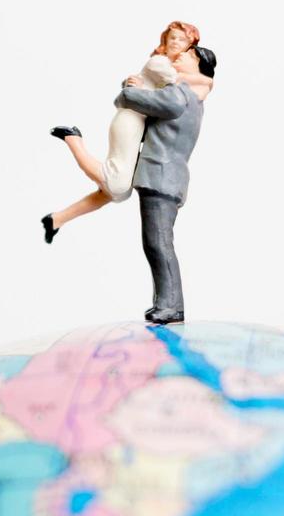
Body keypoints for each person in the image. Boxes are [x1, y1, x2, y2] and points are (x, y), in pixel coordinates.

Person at [40, 21, 215, 324]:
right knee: (157, 241)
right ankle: (166, 302)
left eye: (186, 56)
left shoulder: (181, 94)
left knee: (157, 242)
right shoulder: (194, 100)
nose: (179, 57)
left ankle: (171, 305)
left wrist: (127, 91)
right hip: (167, 176)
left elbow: (141, 100)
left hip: (160, 175)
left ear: (197, 63)